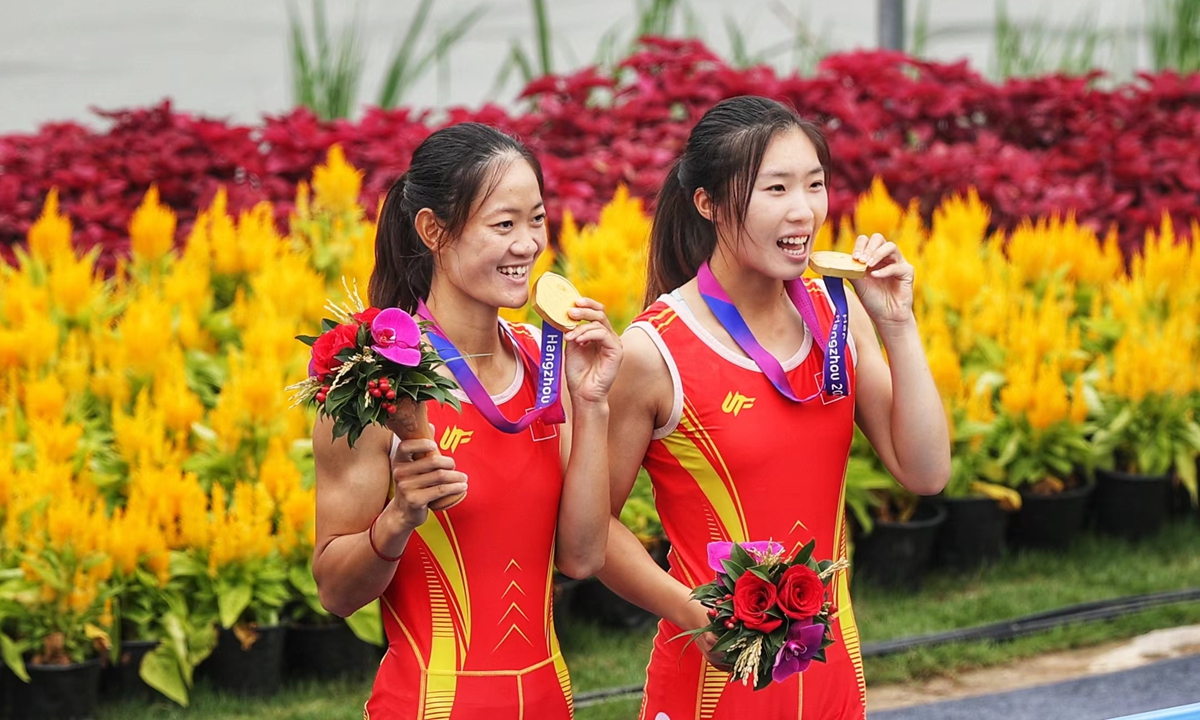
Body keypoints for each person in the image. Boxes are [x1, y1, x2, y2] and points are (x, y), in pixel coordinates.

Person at [596, 96, 951, 719]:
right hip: (713, 686)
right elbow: (589, 529)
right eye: (775, 188)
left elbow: (925, 472)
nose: (803, 210)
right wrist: (690, 610)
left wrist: (897, 325)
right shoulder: (653, 352)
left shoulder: (839, 317)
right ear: (706, 203)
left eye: (815, 184)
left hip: (835, 678)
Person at [311, 122, 622, 720]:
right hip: (430, 703)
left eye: (536, 220)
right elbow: (335, 592)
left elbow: (582, 556)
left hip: (551, 699)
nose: (528, 245)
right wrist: (398, 520)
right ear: (433, 231)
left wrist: (593, 404)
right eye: (503, 225)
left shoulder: (544, 361)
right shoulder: (375, 383)